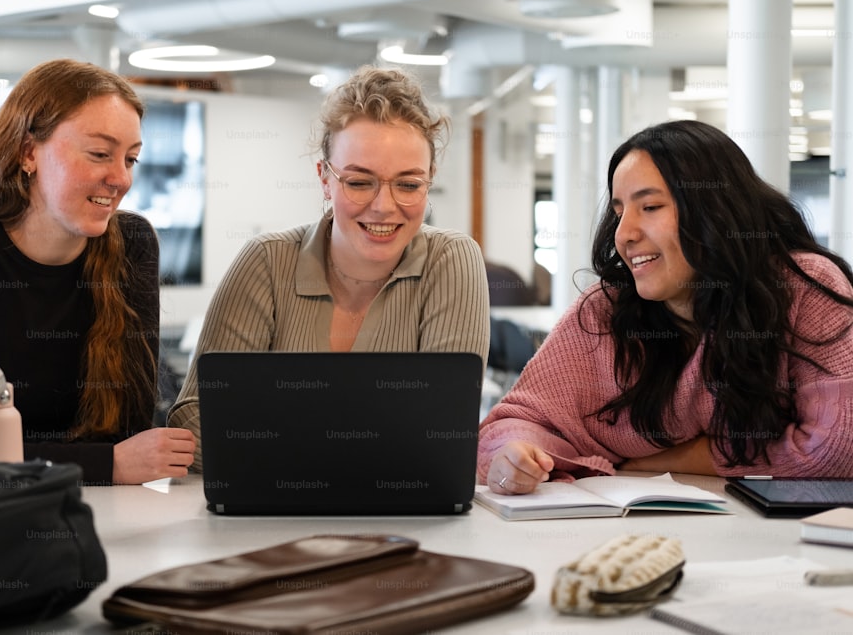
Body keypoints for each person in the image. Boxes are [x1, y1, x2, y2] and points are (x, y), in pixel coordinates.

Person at [480, 119, 853, 495]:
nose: (624, 234)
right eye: (620, 210)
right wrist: (514, 453)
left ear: (716, 210)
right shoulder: (604, 310)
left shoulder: (802, 287)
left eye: (651, 206)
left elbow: (838, 448)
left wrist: (668, 461)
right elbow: (511, 424)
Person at [0, 58, 195, 484]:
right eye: (100, 154)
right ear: (28, 153)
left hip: (108, 510)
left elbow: (128, 431)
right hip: (0, 515)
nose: (120, 179)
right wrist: (105, 464)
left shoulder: (133, 244)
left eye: (131, 159)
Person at [167, 66, 490, 472]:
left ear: (429, 182)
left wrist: (281, 447)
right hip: (267, 514)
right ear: (324, 179)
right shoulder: (267, 262)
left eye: (408, 184)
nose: (384, 206)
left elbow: (444, 430)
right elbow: (194, 418)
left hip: (401, 516)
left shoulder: (452, 260)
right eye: (359, 182)